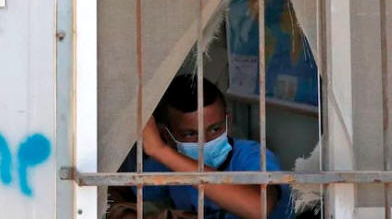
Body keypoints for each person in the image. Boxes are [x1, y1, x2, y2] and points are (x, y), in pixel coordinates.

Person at [106, 75, 294, 219]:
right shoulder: (167, 165)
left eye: (215, 129)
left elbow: (258, 208)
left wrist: (159, 150)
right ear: (167, 135)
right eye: (191, 134)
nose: (205, 142)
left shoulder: (252, 156)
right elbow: (120, 191)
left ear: (228, 121)